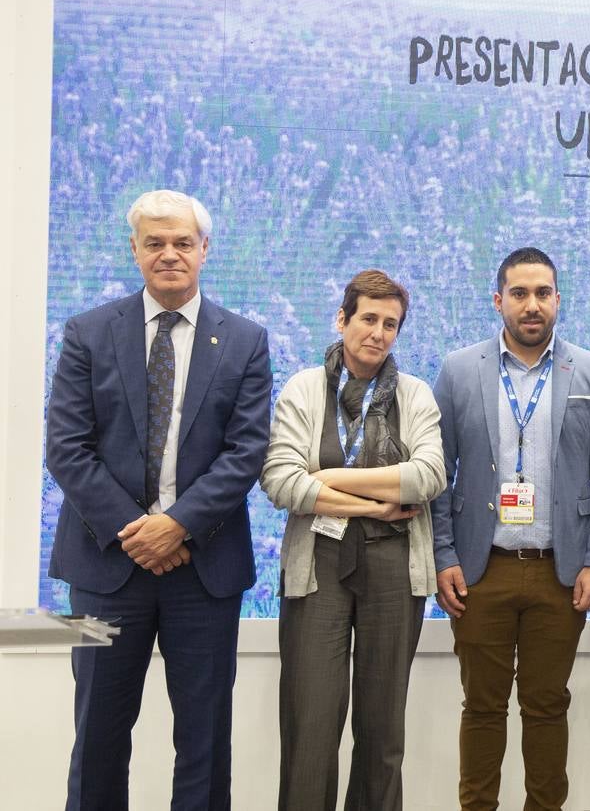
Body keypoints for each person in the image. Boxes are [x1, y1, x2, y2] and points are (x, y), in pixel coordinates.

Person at [46, 189, 272, 810]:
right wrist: (137, 530)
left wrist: (177, 526)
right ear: (134, 251)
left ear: (205, 250)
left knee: (203, 741)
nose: (168, 254)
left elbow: (245, 452)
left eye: (181, 243)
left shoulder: (246, 341)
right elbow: (67, 448)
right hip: (102, 571)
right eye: (154, 243)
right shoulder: (89, 333)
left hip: (204, 573)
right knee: (95, 736)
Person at [429, 247, 590, 811]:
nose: (532, 305)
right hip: (480, 570)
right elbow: (437, 473)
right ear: (499, 301)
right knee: (483, 709)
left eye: (543, 293)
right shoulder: (459, 369)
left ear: (558, 299)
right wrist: (444, 556)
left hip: (559, 574)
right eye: (519, 294)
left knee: (547, 707)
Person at [260, 269, 447, 809]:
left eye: (391, 324)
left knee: (382, 732)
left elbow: (429, 476)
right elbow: (280, 480)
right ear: (342, 320)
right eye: (368, 319)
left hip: (395, 568)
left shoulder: (414, 394)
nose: (379, 333)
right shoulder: (304, 387)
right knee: (310, 728)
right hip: (318, 563)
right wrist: (376, 504)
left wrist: (332, 479)